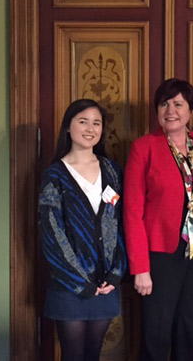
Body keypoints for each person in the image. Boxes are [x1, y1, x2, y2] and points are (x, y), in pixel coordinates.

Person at [123, 78, 193, 360]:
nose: (171, 110)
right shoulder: (144, 147)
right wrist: (140, 267)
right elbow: (131, 211)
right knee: (156, 332)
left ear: (190, 110)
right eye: (164, 104)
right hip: (160, 255)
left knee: (189, 329)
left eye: (178, 104)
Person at [38, 99, 126, 361]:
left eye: (96, 123)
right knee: (73, 356)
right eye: (83, 121)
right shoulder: (54, 175)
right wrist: (81, 282)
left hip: (106, 284)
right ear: (68, 127)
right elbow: (52, 235)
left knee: (93, 355)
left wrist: (115, 274)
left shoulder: (111, 170)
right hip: (69, 286)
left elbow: (120, 224)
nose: (90, 128)